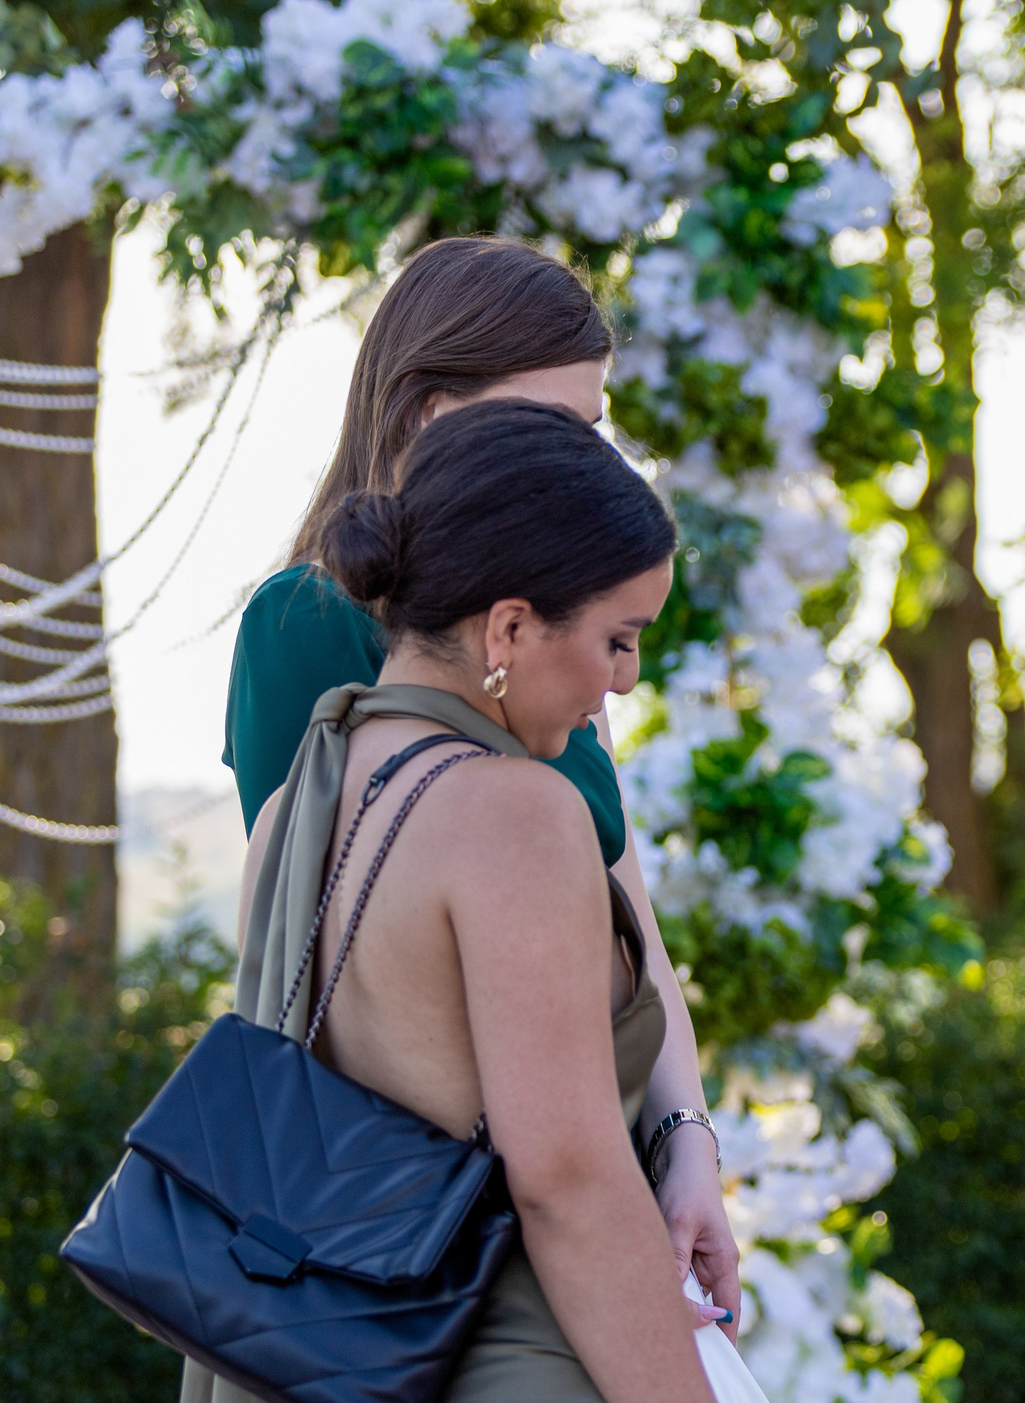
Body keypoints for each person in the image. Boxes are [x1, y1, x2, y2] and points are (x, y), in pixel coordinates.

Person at [223, 398, 753, 1403]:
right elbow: (566, 1178)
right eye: (617, 637)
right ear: (509, 628)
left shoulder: (311, 787)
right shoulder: (514, 812)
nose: (625, 679)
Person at [220, 234, 738, 1335]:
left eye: (593, 432)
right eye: (555, 426)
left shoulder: (553, 630)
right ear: (427, 414)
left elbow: (628, 910)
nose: (587, 463)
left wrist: (685, 1139)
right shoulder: (308, 625)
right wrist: (558, 1210)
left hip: (603, 1164)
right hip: (450, 1230)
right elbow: (304, 959)